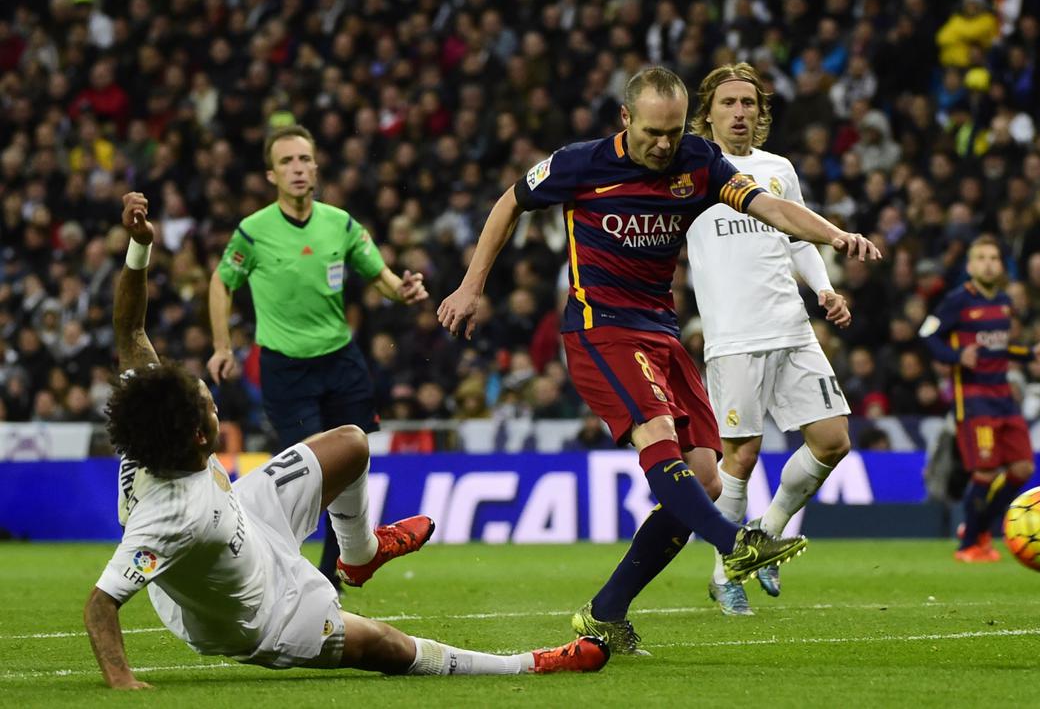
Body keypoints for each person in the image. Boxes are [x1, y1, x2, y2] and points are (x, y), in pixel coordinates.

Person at [438, 66, 881, 654]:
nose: (664, 145)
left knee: (703, 475)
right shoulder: (580, 163)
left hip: (662, 334)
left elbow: (769, 207)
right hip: (603, 330)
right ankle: (735, 544)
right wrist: (472, 286)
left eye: (673, 133)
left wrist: (834, 235)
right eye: (653, 132)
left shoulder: (697, 162)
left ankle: (605, 613)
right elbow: (508, 204)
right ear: (626, 120)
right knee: (659, 438)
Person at [85, 193, 608, 689]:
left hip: (245, 513)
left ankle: (358, 555)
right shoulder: (171, 516)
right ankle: (528, 665)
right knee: (388, 647)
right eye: (210, 405)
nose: (214, 403)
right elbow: (101, 604)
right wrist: (121, 680)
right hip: (258, 613)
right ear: (200, 436)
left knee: (352, 442)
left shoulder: (151, 416)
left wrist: (140, 245)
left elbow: (130, 331)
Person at [207, 125, 427, 590]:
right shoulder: (253, 232)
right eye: (287, 162)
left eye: (304, 159)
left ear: (316, 166)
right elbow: (221, 281)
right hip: (287, 369)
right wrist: (223, 345)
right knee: (308, 477)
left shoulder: (340, 223)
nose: (298, 169)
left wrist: (402, 291)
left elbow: (380, 275)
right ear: (271, 175)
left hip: (341, 362)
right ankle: (279, 570)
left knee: (351, 470)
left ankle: (331, 577)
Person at [685, 63, 854, 615]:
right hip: (733, 334)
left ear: (760, 113)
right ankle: (724, 572)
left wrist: (826, 289)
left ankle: (766, 533)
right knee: (742, 454)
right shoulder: (688, 169)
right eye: (729, 102)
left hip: (792, 325)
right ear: (707, 111)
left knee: (832, 440)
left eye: (749, 104)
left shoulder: (778, 169)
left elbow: (799, 234)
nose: (739, 112)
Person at [919, 236, 1040, 562]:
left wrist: (1029, 354)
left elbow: (997, 348)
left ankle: (978, 529)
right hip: (974, 399)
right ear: (970, 266)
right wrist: (954, 355)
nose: (988, 263)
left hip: (1004, 396)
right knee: (985, 472)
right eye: (981, 258)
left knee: (1022, 468)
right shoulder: (957, 300)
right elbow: (926, 333)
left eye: (994, 257)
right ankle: (969, 545)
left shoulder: (1005, 302)